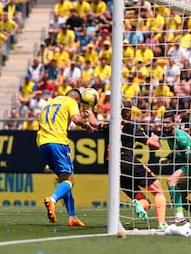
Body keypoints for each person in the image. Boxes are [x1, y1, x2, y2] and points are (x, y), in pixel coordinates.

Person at [37, 88, 98, 226]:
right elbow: (76, 120)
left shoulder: (48, 103)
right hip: (58, 141)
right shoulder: (70, 102)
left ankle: (72, 217)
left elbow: (38, 122)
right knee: (70, 180)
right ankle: (52, 200)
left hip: (42, 143)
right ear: (76, 99)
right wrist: (85, 125)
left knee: (64, 180)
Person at [104, 100, 168, 229]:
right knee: (158, 191)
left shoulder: (108, 126)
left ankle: (140, 205)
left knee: (144, 201)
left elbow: (94, 124)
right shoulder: (131, 127)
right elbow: (155, 146)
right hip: (129, 163)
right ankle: (161, 223)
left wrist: (88, 115)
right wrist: (156, 139)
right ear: (127, 113)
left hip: (113, 169)